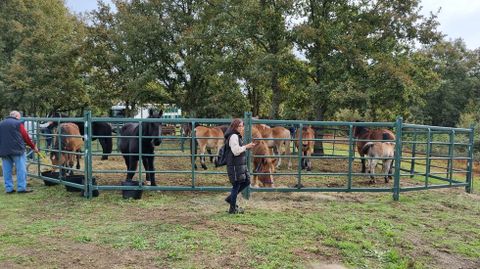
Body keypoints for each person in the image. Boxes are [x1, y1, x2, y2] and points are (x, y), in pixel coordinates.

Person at [0, 111, 39, 194]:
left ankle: (9, 189)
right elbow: (26, 136)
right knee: (21, 169)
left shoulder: (1, 123)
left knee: (6, 170)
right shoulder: (18, 123)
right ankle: (21, 188)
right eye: (20, 117)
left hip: (4, 150)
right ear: (17, 116)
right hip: (17, 150)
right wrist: (33, 146)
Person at [223, 119, 256, 214]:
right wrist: (247, 146)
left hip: (239, 165)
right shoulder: (233, 136)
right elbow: (235, 151)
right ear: (235, 127)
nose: (242, 128)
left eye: (242, 126)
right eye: (240, 126)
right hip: (235, 165)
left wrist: (246, 146)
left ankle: (230, 199)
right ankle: (232, 208)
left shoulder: (236, 135)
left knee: (247, 181)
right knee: (236, 185)